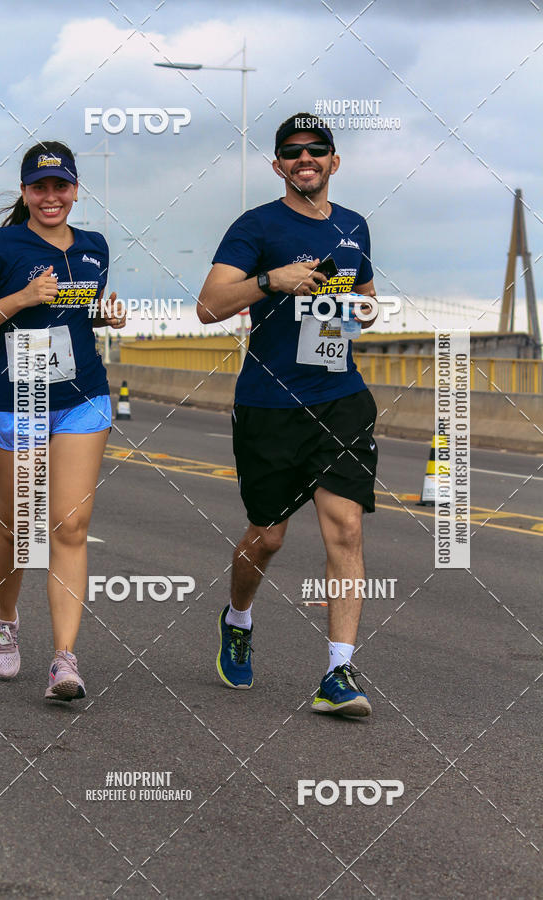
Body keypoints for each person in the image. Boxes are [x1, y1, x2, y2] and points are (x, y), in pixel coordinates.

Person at [198, 113, 379, 717]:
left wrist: (366, 309)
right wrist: (272, 280)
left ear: (334, 161)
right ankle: (239, 617)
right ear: (279, 165)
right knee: (268, 536)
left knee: (346, 528)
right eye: (292, 152)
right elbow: (209, 305)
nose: (305, 159)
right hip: (271, 403)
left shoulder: (355, 226)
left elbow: (365, 296)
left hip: (342, 397)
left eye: (316, 150)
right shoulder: (255, 226)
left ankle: (338, 672)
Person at [0, 141, 125, 701]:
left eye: (61, 187)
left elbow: (78, 318)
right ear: (25, 191)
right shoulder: (1, 246)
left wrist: (103, 314)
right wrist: (23, 296)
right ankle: (6, 617)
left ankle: (64, 660)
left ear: (75, 190)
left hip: (82, 399)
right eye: (39, 187)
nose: (51, 197)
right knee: (22, 528)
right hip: (16, 398)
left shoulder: (95, 247)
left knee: (69, 527)